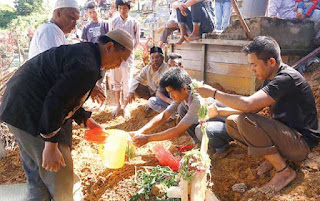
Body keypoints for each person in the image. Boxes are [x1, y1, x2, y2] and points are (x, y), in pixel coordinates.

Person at [0, 29, 133, 201]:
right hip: (30, 111)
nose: (119, 65)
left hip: (17, 107)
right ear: (109, 47)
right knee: (59, 173)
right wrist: (50, 144)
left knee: (36, 175)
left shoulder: (86, 54)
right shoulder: (87, 65)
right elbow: (56, 100)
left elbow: (67, 95)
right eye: (121, 59)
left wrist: (86, 119)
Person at [196, 36, 320, 196]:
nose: (252, 69)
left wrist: (214, 93)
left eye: (254, 64)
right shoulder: (270, 79)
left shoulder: (285, 79)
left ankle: (284, 171)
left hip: (301, 143)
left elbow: (248, 105)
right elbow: (251, 109)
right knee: (233, 122)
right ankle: (276, 157)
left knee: (245, 120)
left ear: (271, 62)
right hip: (287, 136)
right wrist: (219, 112)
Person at [131, 67, 232, 157]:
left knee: (200, 130)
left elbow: (177, 130)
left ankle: (221, 148)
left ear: (183, 89)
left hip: (227, 128)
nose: (170, 96)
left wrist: (148, 138)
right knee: (181, 109)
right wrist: (141, 131)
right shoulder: (186, 92)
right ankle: (199, 142)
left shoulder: (198, 99)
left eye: (171, 92)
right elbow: (164, 115)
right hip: (211, 122)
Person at [110, 0, 140, 117]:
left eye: (125, 8)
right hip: (115, 56)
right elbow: (110, 38)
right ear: (118, 9)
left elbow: (136, 41)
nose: (123, 10)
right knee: (116, 80)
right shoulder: (113, 22)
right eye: (120, 8)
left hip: (127, 56)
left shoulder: (134, 22)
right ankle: (118, 105)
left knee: (126, 82)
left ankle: (125, 106)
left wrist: (129, 53)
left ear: (129, 8)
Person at [82, 1, 110, 110]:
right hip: (91, 58)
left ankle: (102, 103)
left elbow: (109, 40)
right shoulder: (86, 27)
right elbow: (84, 42)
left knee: (101, 80)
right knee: (92, 80)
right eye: (90, 13)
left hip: (103, 58)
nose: (93, 14)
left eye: (94, 11)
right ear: (88, 14)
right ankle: (96, 101)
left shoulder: (105, 24)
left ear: (98, 10)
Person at [127, 46, 168, 111]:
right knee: (136, 87)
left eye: (157, 57)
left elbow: (161, 83)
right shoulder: (147, 68)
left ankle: (159, 105)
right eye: (152, 58)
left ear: (162, 58)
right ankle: (151, 102)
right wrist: (130, 92)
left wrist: (154, 71)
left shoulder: (167, 68)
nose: (155, 60)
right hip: (152, 93)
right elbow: (136, 79)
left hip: (164, 94)